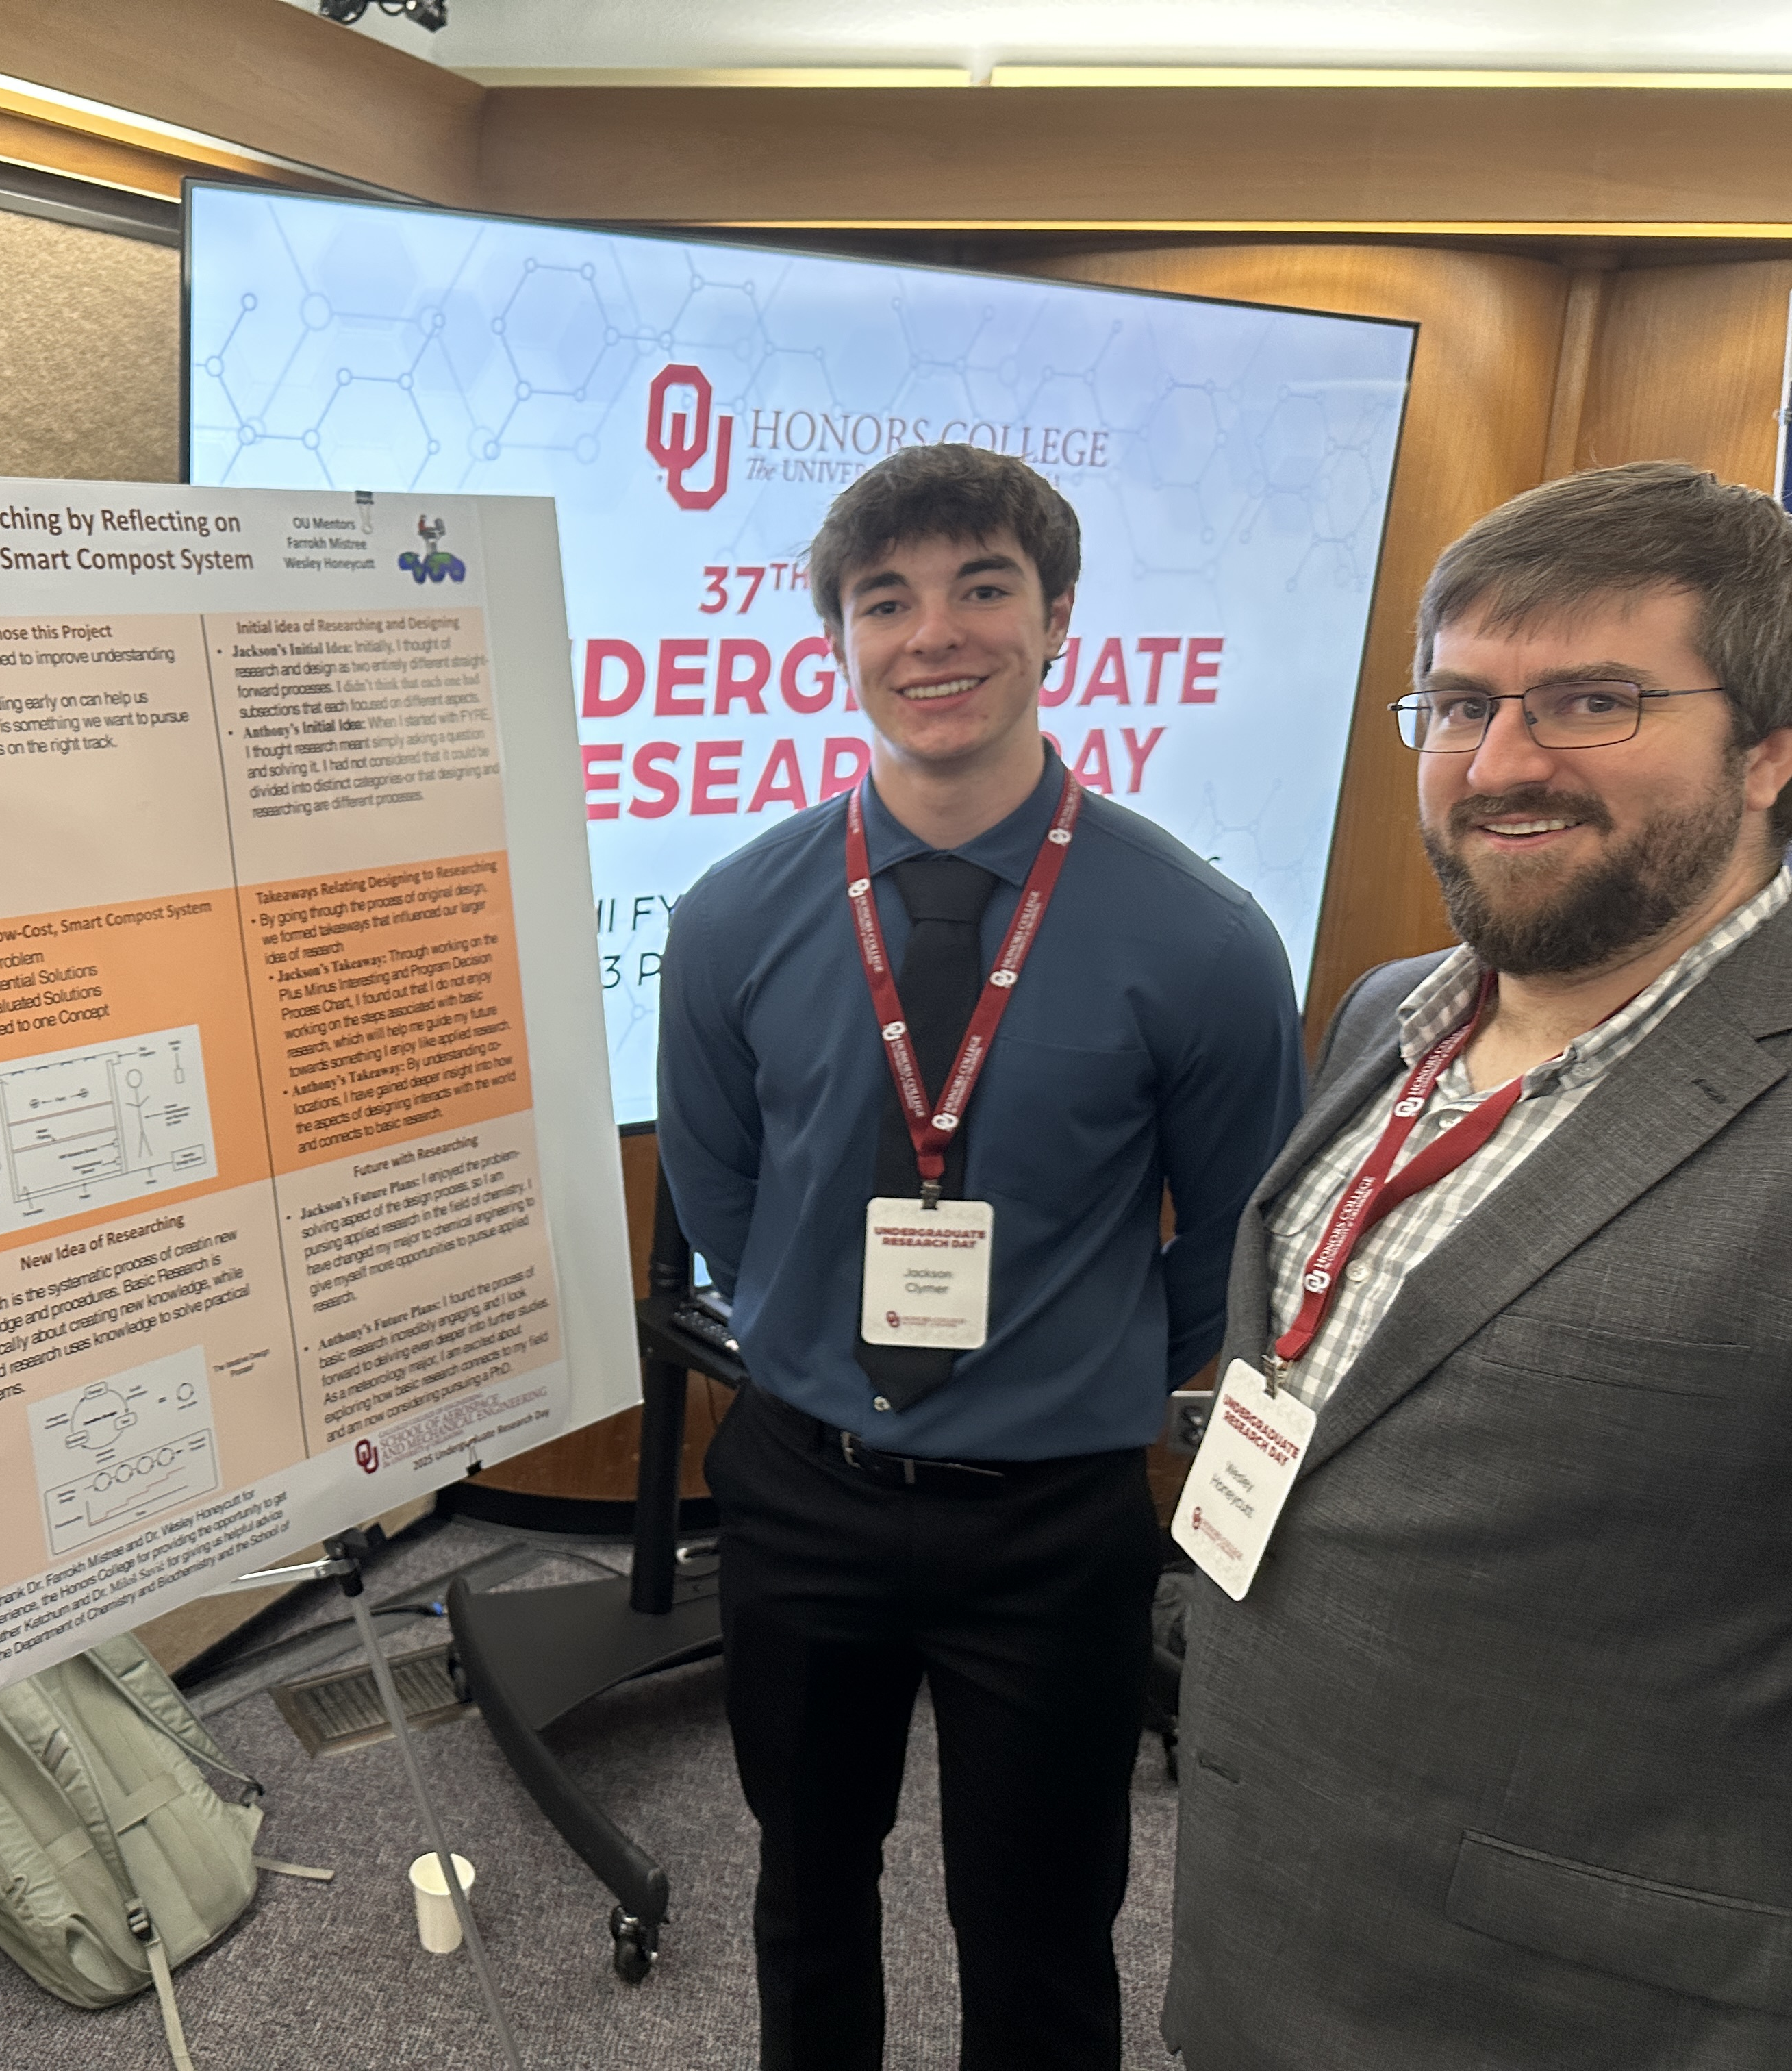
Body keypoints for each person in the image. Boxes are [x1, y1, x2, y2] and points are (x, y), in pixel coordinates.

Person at [657, 441, 1304, 2069]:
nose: (934, 634)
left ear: (1059, 618)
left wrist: (1073, 1366)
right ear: (842, 641)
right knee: (806, 1901)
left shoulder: (1204, 939)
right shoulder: (737, 918)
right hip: (805, 1495)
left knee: (1039, 1934)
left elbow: (1236, 1239)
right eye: (889, 601)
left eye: (982, 588)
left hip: (1053, 1526)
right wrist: (821, 1340)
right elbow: (725, 1196)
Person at [1161, 462, 1792, 2069]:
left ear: (1772, 747)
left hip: (1580, 2010)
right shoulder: (1390, 1012)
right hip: (1270, 1915)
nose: (1502, 763)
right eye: (1457, 704)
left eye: (1594, 701)